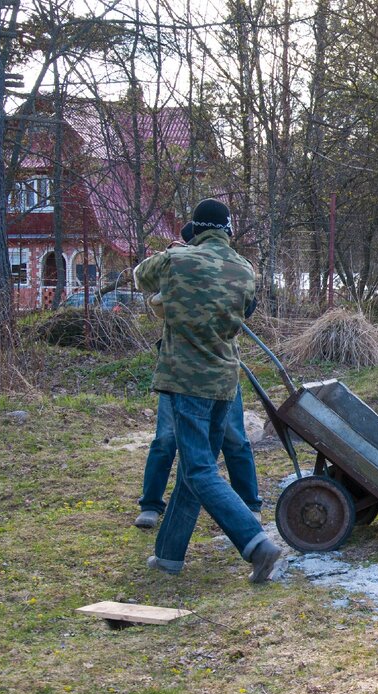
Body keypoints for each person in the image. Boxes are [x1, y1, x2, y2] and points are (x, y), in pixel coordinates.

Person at [134, 199, 282, 583]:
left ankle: (256, 544)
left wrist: (176, 254)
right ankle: (168, 556)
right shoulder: (245, 269)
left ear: (195, 230)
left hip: (186, 382)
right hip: (224, 382)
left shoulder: (177, 261)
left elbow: (140, 277)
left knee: (200, 470)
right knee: (191, 470)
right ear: (228, 231)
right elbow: (246, 312)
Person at [134, 222, 262, 530]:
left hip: (216, 369)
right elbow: (157, 296)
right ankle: (152, 505)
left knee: (227, 445)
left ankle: (249, 509)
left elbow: (246, 309)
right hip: (184, 373)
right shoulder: (180, 264)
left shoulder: (233, 267)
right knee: (167, 440)